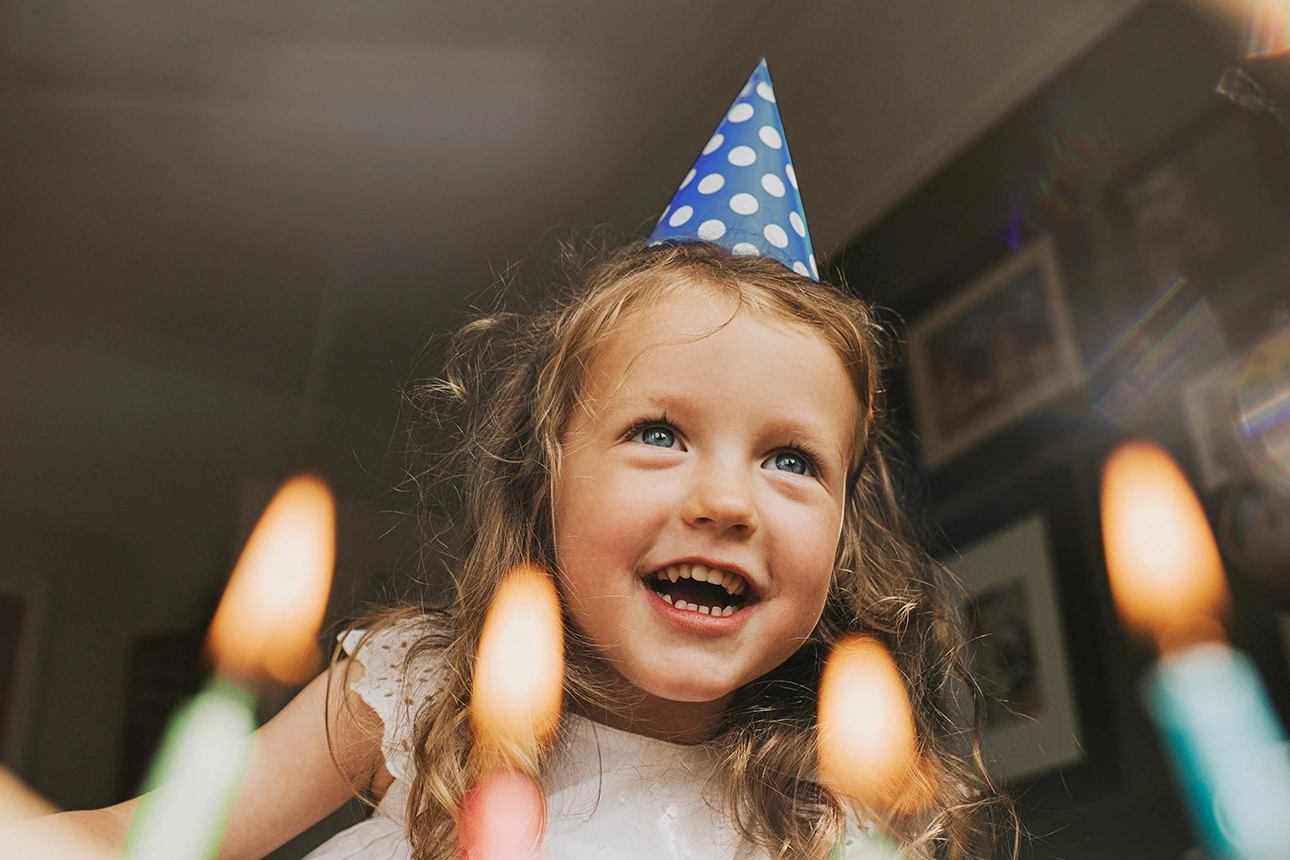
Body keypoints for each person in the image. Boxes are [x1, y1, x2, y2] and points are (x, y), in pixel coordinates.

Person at [2, 61, 1017, 860]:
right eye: (659, 433)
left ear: (845, 533)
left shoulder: (834, 804)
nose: (725, 500)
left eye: (791, 459)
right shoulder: (416, 688)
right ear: (548, 474)